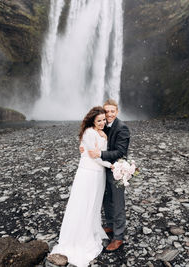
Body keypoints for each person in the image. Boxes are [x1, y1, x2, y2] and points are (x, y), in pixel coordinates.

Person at [50, 106, 112, 267]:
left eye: (104, 120)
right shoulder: (89, 132)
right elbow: (94, 156)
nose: (102, 122)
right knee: (83, 202)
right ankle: (78, 237)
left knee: (94, 203)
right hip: (89, 173)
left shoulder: (103, 132)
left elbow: (96, 152)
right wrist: (112, 165)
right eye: (99, 120)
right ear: (92, 121)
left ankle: (91, 229)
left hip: (100, 174)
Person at [88, 99, 130, 252]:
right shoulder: (103, 125)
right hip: (104, 168)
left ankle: (118, 238)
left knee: (118, 204)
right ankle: (111, 226)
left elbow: (120, 152)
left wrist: (100, 154)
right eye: (107, 111)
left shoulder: (122, 128)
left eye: (112, 111)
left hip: (117, 170)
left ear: (117, 112)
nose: (110, 114)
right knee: (106, 199)